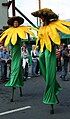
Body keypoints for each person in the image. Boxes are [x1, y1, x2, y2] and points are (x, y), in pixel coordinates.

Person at [31, 8, 70, 114]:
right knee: (44, 72)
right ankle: (55, 87)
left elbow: (56, 38)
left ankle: (50, 96)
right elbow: (38, 39)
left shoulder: (53, 25)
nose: (41, 19)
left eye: (42, 17)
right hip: (42, 51)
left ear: (46, 17)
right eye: (40, 17)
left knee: (50, 74)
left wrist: (57, 48)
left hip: (50, 51)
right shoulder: (41, 28)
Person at [0, 16, 34, 101]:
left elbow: (27, 34)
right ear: (12, 23)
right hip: (14, 53)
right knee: (15, 69)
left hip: (18, 53)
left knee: (17, 68)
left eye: (17, 22)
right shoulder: (9, 31)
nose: (16, 23)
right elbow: (4, 39)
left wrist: (29, 36)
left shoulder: (21, 30)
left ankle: (15, 82)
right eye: (14, 22)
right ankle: (14, 82)